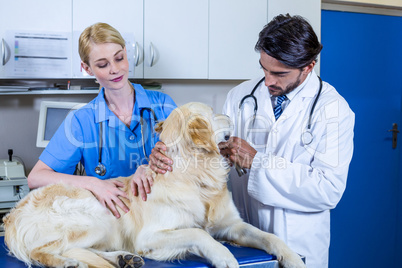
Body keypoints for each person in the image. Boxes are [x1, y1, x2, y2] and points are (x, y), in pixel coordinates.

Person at [150, 14, 355, 268]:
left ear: (309, 67)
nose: (268, 80)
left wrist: (258, 162)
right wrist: (170, 153)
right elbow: (209, 158)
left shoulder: (334, 110)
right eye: (264, 68)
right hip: (245, 239)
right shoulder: (241, 95)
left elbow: (328, 190)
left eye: (279, 73)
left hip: (300, 244)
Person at [28, 22, 176, 218]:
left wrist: (148, 169)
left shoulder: (163, 105)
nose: (114, 69)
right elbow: (36, 177)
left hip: (164, 216)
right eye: (102, 64)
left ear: (126, 53)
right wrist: (93, 183)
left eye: (119, 58)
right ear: (87, 68)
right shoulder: (81, 121)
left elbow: (190, 160)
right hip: (114, 224)